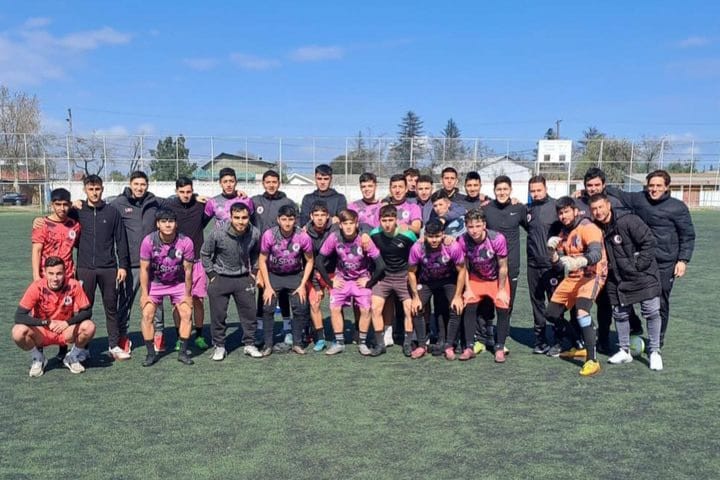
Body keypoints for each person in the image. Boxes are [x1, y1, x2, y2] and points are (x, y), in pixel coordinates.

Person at [606, 170, 695, 347]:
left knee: (660, 302)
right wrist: (589, 192)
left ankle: (657, 342)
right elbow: (618, 194)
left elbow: (688, 235)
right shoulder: (639, 199)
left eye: (658, 186)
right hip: (640, 262)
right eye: (651, 186)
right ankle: (635, 326)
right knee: (626, 295)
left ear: (667, 187)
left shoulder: (678, 207)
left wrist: (682, 260)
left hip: (664, 263)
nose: (654, 189)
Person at [589, 193, 664, 370]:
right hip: (618, 278)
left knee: (651, 311)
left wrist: (638, 265)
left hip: (643, 275)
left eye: (601, 207)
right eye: (594, 209)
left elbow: (649, 242)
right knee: (620, 314)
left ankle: (654, 352)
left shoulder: (628, 220)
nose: (598, 212)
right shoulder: (596, 228)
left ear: (608, 205)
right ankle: (624, 351)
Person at [575, 167, 640, 351]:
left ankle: (613, 335)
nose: (593, 188)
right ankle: (594, 338)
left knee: (613, 301)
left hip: (613, 261)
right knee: (594, 302)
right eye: (589, 185)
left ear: (604, 185)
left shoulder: (614, 203)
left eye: (597, 184)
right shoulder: (579, 203)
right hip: (589, 262)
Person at [545, 196, 608, 377]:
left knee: (582, 312)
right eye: (560, 213)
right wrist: (552, 253)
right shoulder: (564, 234)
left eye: (566, 211)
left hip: (592, 275)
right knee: (551, 313)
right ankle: (578, 343)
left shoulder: (588, 227)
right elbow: (558, 266)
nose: (563, 216)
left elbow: (596, 254)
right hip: (574, 276)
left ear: (575, 211)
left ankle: (592, 360)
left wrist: (580, 261)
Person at [73, 175, 131, 361]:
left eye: (97, 189)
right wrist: (73, 204)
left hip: (108, 268)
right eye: (91, 189)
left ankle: (113, 345)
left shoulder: (112, 212)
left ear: (102, 189)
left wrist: (122, 266)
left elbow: (121, 240)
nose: (94, 192)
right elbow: (60, 216)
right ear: (85, 190)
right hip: (85, 269)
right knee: (83, 309)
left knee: (111, 307)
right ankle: (82, 347)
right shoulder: (78, 211)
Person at [316, 209, 385, 355]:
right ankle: (339, 343)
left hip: (361, 280)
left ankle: (362, 342)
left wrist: (369, 282)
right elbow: (319, 260)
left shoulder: (364, 239)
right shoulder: (334, 237)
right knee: (334, 308)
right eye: (345, 223)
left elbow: (380, 265)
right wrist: (330, 282)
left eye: (351, 223)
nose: (348, 226)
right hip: (341, 279)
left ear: (356, 224)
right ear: (340, 225)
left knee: (366, 309)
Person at [13, 256, 95, 376]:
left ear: (65, 272)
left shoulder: (73, 285)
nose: (55, 278)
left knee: (89, 326)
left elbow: (87, 311)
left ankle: (72, 356)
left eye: (59, 273)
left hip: (65, 331)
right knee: (18, 331)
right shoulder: (37, 287)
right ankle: (38, 358)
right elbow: (19, 316)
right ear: (45, 272)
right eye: (51, 273)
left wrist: (67, 323)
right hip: (43, 332)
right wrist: (46, 322)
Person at [201, 203, 263, 361]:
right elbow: (205, 253)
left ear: (249, 217)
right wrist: (212, 274)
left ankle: (249, 344)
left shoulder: (255, 233)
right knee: (218, 315)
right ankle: (219, 346)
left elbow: (256, 253)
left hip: (243, 278)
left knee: (249, 313)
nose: (241, 221)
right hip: (220, 278)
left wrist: (254, 272)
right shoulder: (218, 233)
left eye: (244, 218)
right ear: (231, 216)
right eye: (237, 218)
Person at [112, 170, 164, 356]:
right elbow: (100, 209)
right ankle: (123, 336)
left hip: (154, 262)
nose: (140, 188)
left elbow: (177, 204)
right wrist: (79, 204)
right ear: (130, 184)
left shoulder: (156, 202)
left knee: (156, 300)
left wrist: (196, 197)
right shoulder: (118, 204)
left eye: (143, 184)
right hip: (131, 263)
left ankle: (158, 334)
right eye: (136, 184)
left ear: (147, 185)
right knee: (125, 301)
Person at [452, 208, 511, 362]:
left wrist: (502, 289)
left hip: (496, 279)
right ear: (466, 226)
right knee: (469, 305)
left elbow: (503, 266)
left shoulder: (497, 239)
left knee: (502, 306)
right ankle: (469, 347)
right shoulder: (463, 240)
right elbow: (464, 267)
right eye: (470, 227)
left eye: (478, 226)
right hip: (476, 278)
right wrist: (468, 289)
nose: (474, 231)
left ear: (484, 224)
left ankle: (499, 347)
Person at [138, 209, 195, 366]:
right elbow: (144, 269)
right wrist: (144, 294)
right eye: (164, 221)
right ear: (158, 224)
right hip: (155, 283)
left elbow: (189, 270)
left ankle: (183, 352)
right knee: (148, 314)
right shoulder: (148, 241)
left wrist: (188, 294)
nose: (167, 224)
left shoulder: (186, 242)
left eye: (170, 221)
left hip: (178, 283)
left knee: (186, 313)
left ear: (176, 224)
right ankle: (150, 353)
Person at [31, 187, 81, 361]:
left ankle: (63, 350)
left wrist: (77, 205)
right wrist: (37, 278)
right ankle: (39, 353)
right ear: (51, 205)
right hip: (46, 277)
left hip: (67, 277)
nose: (62, 208)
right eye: (58, 204)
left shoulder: (74, 225)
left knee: (66, 312)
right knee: (41, 312)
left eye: (65, 204)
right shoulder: (42, 224)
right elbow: (36, 251)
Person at [163, 177, 212, 352]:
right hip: (176, 264)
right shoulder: (169, 207)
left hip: (197, 262)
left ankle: (199, 335)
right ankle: (179, 337)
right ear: (176, 191)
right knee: (178, 303)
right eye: (182, 192)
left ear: (193, 191)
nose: (186, 195)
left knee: (198, 301)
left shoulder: (200, 206)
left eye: (189, 192)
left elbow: (219, 205)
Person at [258, 205, 314, 355]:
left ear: (295, 220)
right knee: (268, 306)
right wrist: (267, 286)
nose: (287, 223)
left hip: (294, 275)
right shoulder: (269, 235)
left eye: (290, 219)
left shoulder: (302, 236)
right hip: (274, 275)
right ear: (278, 220)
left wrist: (302, 285)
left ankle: (297, 343)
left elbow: (309, 261)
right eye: (284, 219)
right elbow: (262, 260)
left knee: (301, 306)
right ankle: (268, 344)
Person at [250, 169, 296, 346]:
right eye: (267, 182)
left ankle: (287, 329)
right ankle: (260, 329)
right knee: (262, 290)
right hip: (259, 255)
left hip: (282, 256)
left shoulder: (287, 202)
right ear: (263, 183)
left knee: (283, 292)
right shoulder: (255, 201)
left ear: (279, 183)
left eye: (274, 182)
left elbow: (294, 227)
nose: (271, 185)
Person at [407, 219, 466, 358]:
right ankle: (422, 345)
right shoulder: (418, 247)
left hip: (447, 280)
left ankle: (449, 345)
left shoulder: (452, 246)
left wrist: (458, 296)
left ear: (443, 234)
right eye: (431, 236)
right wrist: (415, 297)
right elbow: (411, 272)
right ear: (425, 235)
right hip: (427, 281)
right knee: (416, 307)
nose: (434, 240)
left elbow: (462, 270)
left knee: (456, 308)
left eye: (437, 236)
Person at [369, 205, 418, 357]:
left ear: (396, 220)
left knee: (409, 310)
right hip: (384, 278)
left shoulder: (408, 235)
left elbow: (418, 254)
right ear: (379, 221)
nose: (387, 224)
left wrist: (412, 277)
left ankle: (408, 343)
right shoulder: (374, 234)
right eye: (384, 220)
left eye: (391, 220)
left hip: (403, 277)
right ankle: (380, 344)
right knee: (375, 308)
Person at [482, 176, 528, 336]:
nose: (502, 192)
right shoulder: (486, 209)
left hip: (512, 263)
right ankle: (487, 330)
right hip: (489, 263)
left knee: (507, 300)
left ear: (510, 190)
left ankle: (503, 331)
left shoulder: (520, 208)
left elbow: (532, 228)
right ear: (494, 191)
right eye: (499, 189)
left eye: (505, 189)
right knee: (488, 300)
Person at [525, 176, 564, 354]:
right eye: (532, 191)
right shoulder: (528, 209)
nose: (535, 193)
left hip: (551, 265)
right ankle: (540, 340)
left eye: (538, 190)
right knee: (537, 303)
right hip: (533, 265)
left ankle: (559, 340)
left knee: (555, 303)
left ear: (546, 188)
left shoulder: (556, 207)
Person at [305, 202, 336, 352]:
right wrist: (316, 285)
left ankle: (338, 336)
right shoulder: (305, 233)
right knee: (314, 303)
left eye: (322, 215)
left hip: (333, 273)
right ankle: (320, 338)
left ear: (328, 216)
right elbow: (307, 261)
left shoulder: (336, 229)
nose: (319, 218)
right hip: (314, 274)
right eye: (316, 215)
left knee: (336, 305)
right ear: (311, 216)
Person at [204, 167, 255, 232]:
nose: (228, 185)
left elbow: (254, 222)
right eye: (225, 182)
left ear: (236, 182)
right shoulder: (212, 202)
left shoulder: (246, 200)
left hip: (242, 241)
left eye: (231, 181)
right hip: (221, 241)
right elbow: (201, 224)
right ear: (220, 183)